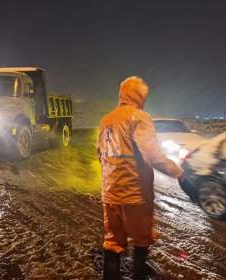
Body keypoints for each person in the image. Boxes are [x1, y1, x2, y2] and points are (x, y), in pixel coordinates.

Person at [97, 76, 184, 279]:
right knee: (141, 239)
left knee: (113, 241)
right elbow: (152, 154)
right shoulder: (138, 116)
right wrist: (178, 172)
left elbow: (99, 154)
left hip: (110, 194)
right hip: (135, 194)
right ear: (139, 95)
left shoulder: (106, 120)